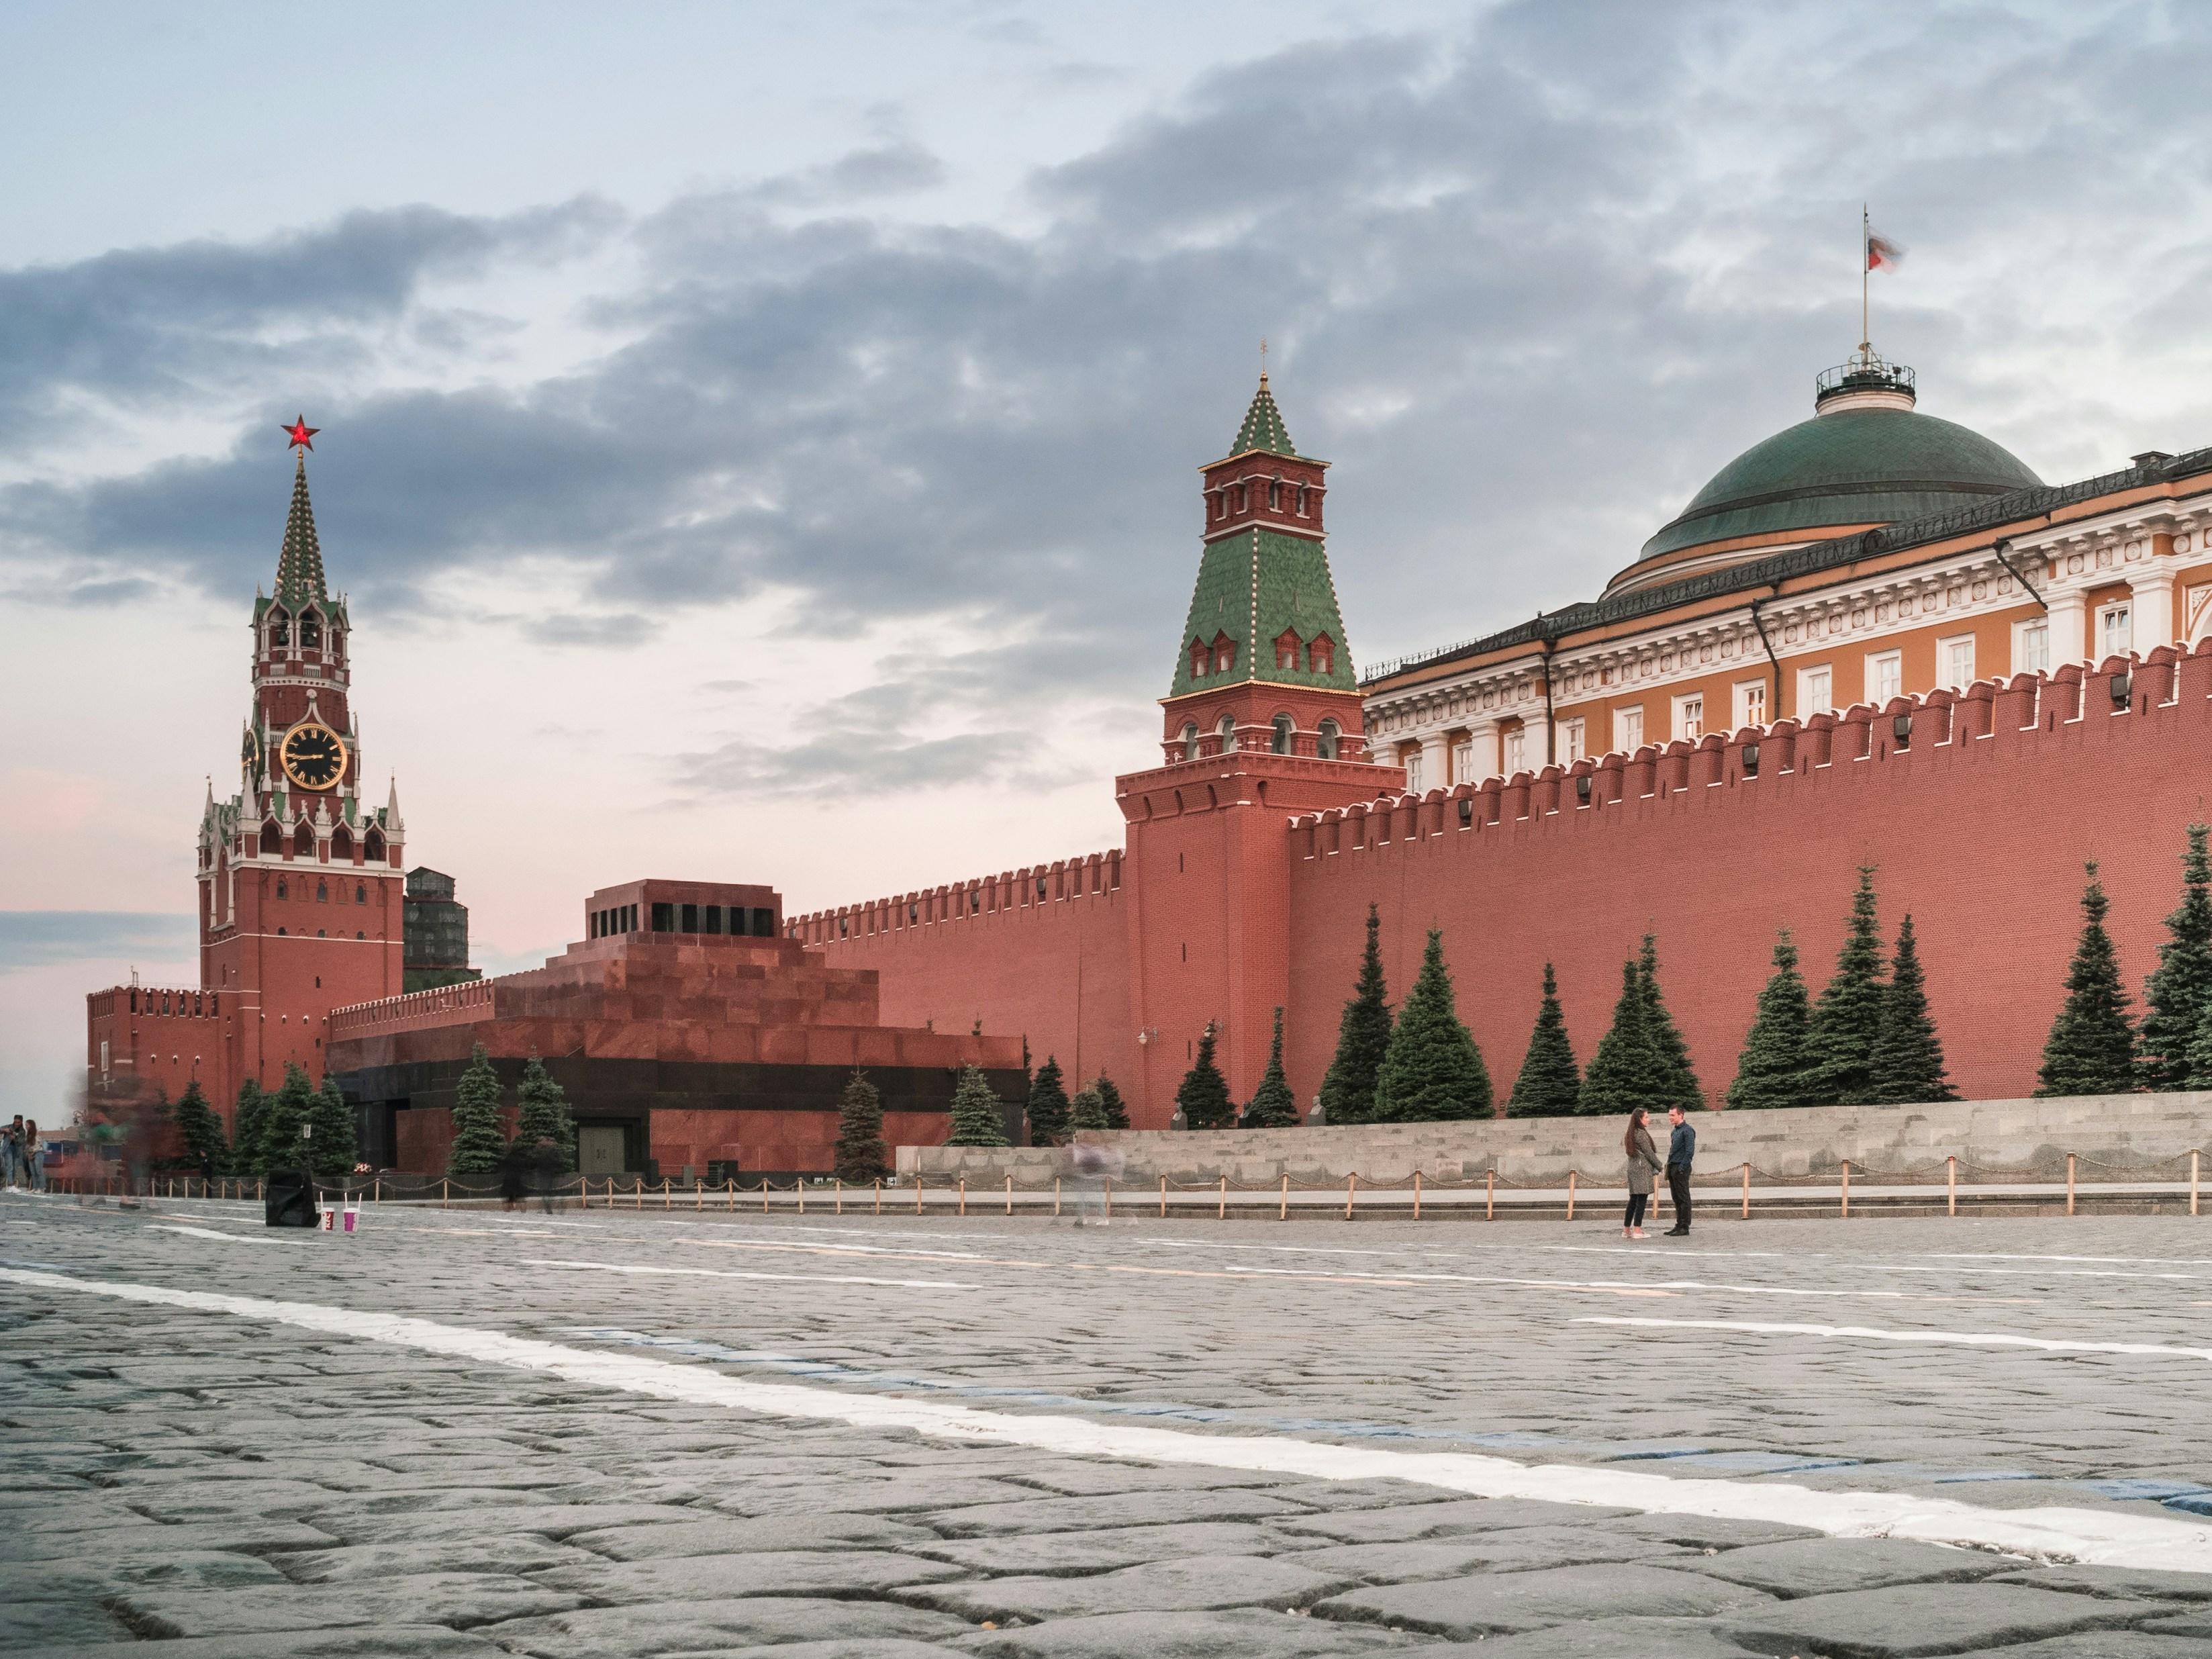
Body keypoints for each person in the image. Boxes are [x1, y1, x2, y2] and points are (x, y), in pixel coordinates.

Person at [1066, 1132, 1122, 1227]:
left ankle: (1084, 1218)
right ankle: (1095, 1218)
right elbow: (1103, 1163)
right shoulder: (1095, 1150)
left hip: (1088, 1177)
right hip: (1094, 1177)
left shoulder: (1087, 1150)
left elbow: (1078, 1162)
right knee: (1092, 1198)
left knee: (1085, 1198)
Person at [1623, 1106, 1662, 1239]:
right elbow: (1648, 1152)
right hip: (1641, 1168)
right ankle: (1637, 1230)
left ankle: (1626, 1230)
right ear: (1640, 1119)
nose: (1648, 1120)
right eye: (1646, 1117)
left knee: (1633, 1199)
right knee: (1642, 1199)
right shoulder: (1640, 1133)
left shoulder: (1630, 1133)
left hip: (1633, 1168)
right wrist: (1659, 1165)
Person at [1662, 1102, 1696, 1237]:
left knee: (1683, 1198)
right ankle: (1679, 1224)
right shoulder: (1675, 1131)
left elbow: (1690, 1152)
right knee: (1676, 1198)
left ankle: (1685, 1226)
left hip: (1681, 1167)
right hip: (1673, 1166)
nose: (1670, 1118)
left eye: (1673, 1115)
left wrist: (1681, 1168)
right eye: (1670, 1115)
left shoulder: (1687, 1131)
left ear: (1681, 1115)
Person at [532, 1138, 565, 1215]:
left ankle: (547, 1207)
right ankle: (546, 1208)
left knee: (547, 1191)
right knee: (546, 1191)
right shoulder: (545, 1151)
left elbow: (558, 1161)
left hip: (548, 1174)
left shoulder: (549, 1151)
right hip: (545, 1174)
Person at [499, 1143, 530, 1212]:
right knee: (521, 1197)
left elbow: (503, 1167)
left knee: (507, 1198)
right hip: (518, 1178)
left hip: (508, 1178)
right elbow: (525, 1168)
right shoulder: (521, 1158)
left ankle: (507, 1214)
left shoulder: (507, 1157)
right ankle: (523, 1213)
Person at [23, 1121, 44, 1194]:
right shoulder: (28, 1135)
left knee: (39, 1171)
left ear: (31, 1125)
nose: (26, 1127)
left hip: (38, 1153)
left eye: (27, 1125)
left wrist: (32, 1153)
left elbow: (38, 1144)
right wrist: (28, 1154)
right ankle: (35, 1188)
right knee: (33, 1172)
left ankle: (41, 1189)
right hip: (30, 1154)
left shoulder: (37, 1133)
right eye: (25, 1125)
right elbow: (27, 1146)